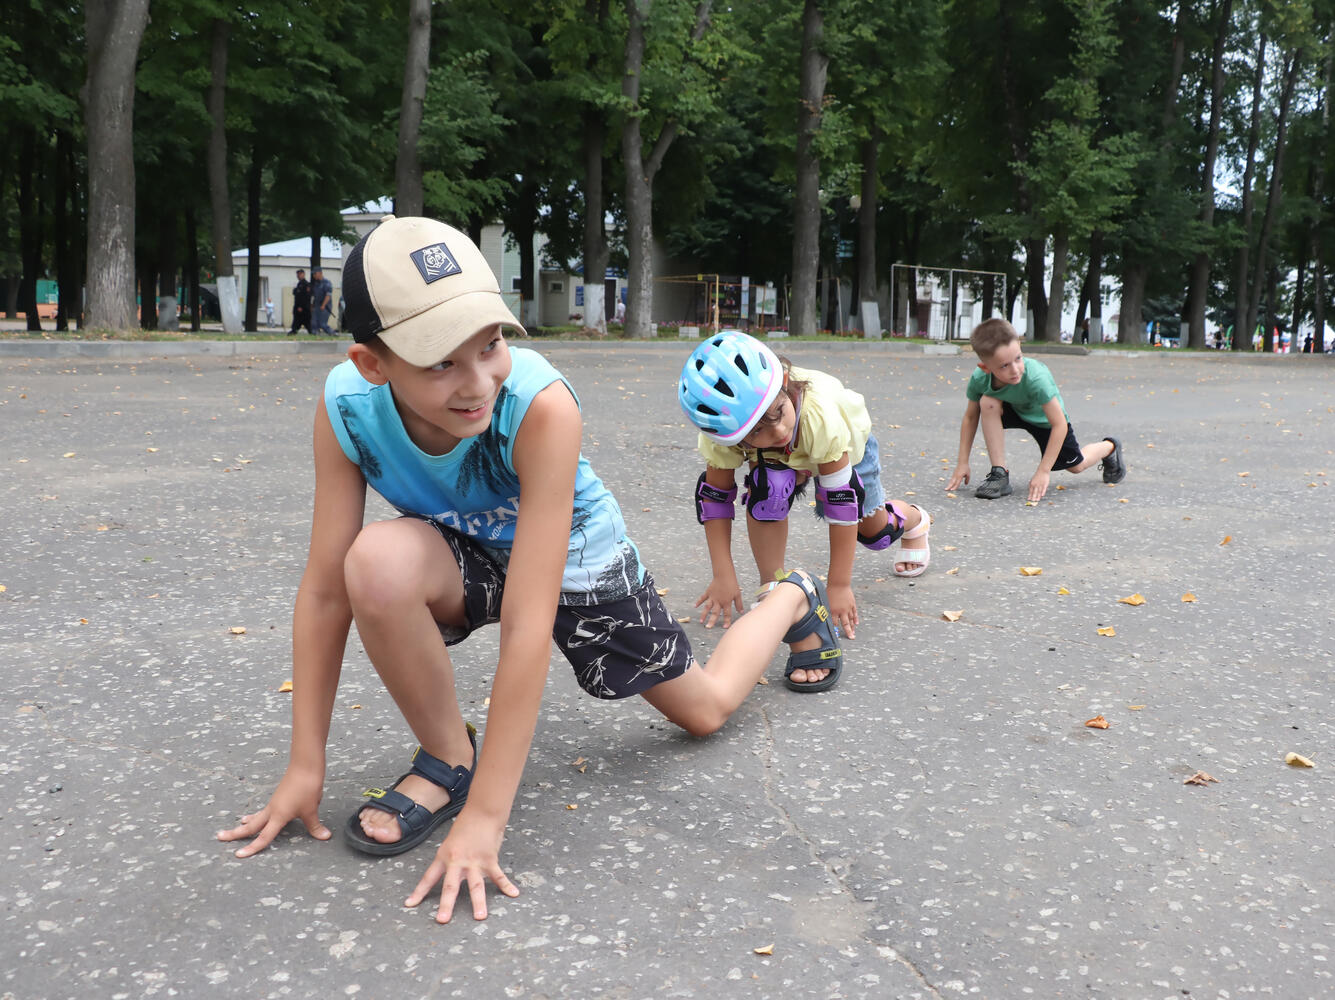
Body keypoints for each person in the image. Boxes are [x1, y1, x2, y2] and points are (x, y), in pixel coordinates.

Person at [216, 216, 842, 924]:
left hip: (577, 556)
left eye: (491, 344)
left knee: (704, 711)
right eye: (441, 362)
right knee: (374, 564)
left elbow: (528, 619)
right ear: (373, 363)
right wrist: (305, 765)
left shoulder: (540, 406)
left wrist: (487, 820)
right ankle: (449, 758)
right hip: (462, 550)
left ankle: (791, 597)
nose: (478, 381)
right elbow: (328, 589)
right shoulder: (348, 408)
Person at [677, 332, 933, 692]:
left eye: (778, 413)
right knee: (767, 489)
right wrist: (723, 573)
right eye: (757, 433)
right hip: (786, 463)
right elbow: (714, 498)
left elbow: (842, 504)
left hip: (846, 449)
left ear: (783, 382)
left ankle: (915, 519)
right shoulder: (725, 432)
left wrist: (840, 584)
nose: (778, 430)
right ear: (733, 439)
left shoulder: (818, 415)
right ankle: (775, 592)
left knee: (873, 533)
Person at [944, 317, 1126, 502]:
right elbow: (970, 418)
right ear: (985, 368)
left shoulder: (1036, 378)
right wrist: (962, 463)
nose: (1015, 370)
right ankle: (999, 474)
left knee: (1076, 467)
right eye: (1005, 365)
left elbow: (1059, 424)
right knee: (987, 402)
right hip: (1014, 409)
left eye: (1018, 358)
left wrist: (1044, 471)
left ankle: (1109, 447)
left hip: (1045, 420)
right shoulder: (980, 379)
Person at [288, 269, 312, 336]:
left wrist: (301, 306)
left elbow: (305, 297)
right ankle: (293, 331)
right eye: (297, 274)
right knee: (297, 322)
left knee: (307, 323)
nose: (298, 276)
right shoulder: (299, 284)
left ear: (303, 274)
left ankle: (313, 333)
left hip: (303, 308)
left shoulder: (306, 284)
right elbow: (295, 293)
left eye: (300, 274)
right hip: (298, 308)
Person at [311, 267, 335, 335]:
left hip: (325, 306)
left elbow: (328, 295)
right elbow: (314, 296)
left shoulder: (327, 283)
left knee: (322, 324)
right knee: (314, 323)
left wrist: (323, 305)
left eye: (315, 273)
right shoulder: (316, 284)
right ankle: (315, 335)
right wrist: (312, 306)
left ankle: (333, 333)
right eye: (313, 274)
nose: (314, 275)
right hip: (317, 305)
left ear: (320, 273)